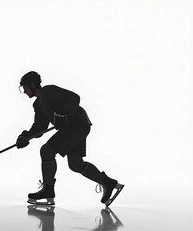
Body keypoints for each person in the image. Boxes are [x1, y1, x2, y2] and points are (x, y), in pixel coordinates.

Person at [16, 71, 124, 206]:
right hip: (75, 128)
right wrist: (26, 136)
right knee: (75, 164)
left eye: (24, 87)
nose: (24, 91)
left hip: (77, 125)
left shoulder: (49, 91)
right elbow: (40, 127)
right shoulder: (38, 104)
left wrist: (63, 114)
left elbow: (74, 98)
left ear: (32, 85)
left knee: (46, 151)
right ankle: (108, 182)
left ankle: (48, 190)